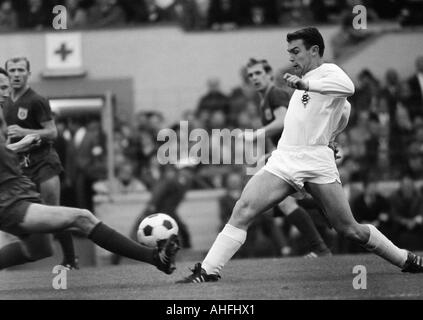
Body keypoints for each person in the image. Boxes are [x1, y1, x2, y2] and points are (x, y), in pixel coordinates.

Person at [177, 27, 423, 283]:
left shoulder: (327, 72)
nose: (291, 57)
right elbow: (341, 111)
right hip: (285, 159)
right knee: (243, 209)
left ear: (314, 50)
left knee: (349, 229)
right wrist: (331, 136)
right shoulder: (301, 84)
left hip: (316, 162)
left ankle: (405, 259)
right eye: (289, 52)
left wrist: (315, 106)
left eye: (296, 51)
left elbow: (348, 90)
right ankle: (208, 271)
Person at [0, 73, 179, 272]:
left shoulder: (4, 116)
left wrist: (15, 148)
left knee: (39, 250)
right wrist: (22, 144)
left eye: (6, 87)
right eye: (0, 88)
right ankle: (156, 258)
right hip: (8, 200)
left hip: (19, 191)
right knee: (82, 217)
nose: (5, 93)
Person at [239, 57, 331, 257]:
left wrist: (256, 134)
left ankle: (321, 245)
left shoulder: (276, 94)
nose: (254, 78)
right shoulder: (264, 100)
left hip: (299, 152)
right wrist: (268, 155)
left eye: (258, 73)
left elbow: (282, 122)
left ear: (269, 74)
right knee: (281, 202)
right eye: (250, 75)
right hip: (293, 152)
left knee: (282, 202)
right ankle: (324, 213)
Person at [3, 57, 78, 269]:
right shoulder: (6, 101)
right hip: (21, 164)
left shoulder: (37, 100)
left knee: (53, 209)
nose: (16, 74)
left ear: (28, 72)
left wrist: (25, 132)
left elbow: (52, 132)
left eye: (20, 70)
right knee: (31, 210)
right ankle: (28, 251)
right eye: (12, 70)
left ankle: (71, 259)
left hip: (44, 161)